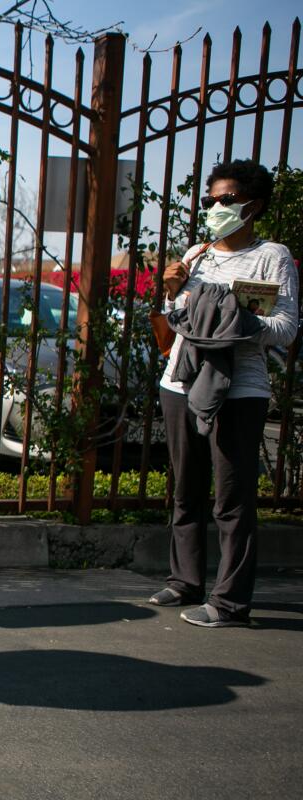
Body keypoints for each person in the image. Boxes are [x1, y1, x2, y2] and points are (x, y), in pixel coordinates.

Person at [149, 159, 298, 627]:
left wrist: (238, 317)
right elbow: (175, 320)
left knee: (232, 500)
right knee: (185, 489)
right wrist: (173, 292)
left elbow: (287, 328)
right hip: (180, 382)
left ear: (252, 206)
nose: (215, 207)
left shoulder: (272, 256)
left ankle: (230, 603)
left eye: (225, 200)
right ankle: (184, 581)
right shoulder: (197, 254)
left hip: (239, 390)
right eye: (210, 200)